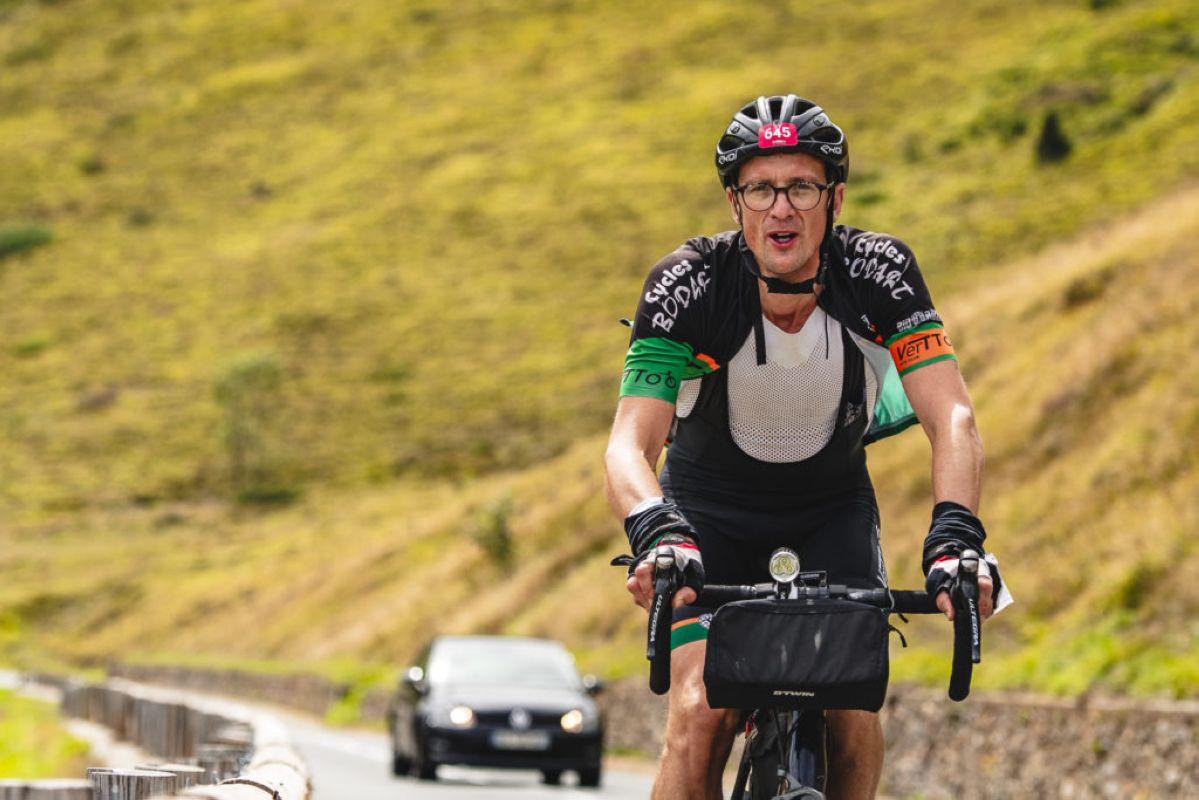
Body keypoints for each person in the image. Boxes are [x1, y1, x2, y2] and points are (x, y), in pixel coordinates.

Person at [604, 94, 1003, 800]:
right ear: (735, 203)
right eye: (760, 189)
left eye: (801, 187)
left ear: (835, 199)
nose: (780, 209)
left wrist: (954, 538)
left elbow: (952, 418)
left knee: (852, 709)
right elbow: (628, 446)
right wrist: (656, 533)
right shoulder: (687, 283)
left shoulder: (879, 273)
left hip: (829, 512)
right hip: (706, 517)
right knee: (698, 714)